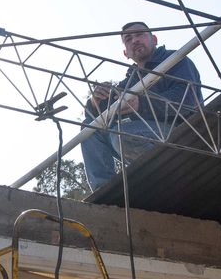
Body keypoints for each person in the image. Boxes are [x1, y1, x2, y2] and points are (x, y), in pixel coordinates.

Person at [81, 22, 203, 190]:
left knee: (121, 135)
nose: (134, 40)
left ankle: (164, 177)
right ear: (126, 53)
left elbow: (187, 100)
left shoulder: (176, 60)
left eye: (139, 34)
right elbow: (96, 116)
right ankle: (103, 190)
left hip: (185, 133)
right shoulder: (130, 82)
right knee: (90, 128)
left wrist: (141, 104)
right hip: (149, 135)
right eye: (128, 39)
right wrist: (95, 101)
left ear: (154, 39)